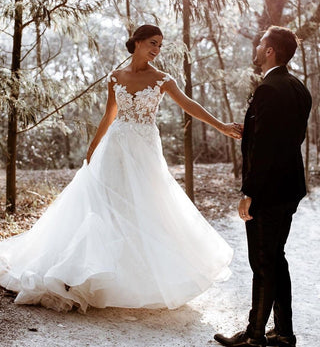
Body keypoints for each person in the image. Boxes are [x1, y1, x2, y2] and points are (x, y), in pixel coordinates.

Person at [0, 24, 242, 313]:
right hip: (115, 145)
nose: (156, 49)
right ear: (137, 42)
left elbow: (189, 105)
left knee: (146, 205)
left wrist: (222, 126)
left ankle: (138, 277)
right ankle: (87, 274)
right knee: (105, 204)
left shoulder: (163, 79)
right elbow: (109, 115)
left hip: (144, 148)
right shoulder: (116, 77)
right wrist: (93, 146)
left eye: (160, 45)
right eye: (152, 43)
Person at [214, 26, 312, 347]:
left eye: (260, 44)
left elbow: (267, 147)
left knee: (262, 262)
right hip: (290, 187)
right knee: (276, 257)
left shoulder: (268, 88)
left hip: (268, 191)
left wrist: (249, 192)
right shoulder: (299, 87)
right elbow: (284, 137)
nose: (256, 47)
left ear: (270, 51)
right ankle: (284, 332)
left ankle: (254, 336)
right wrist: (252, 129)